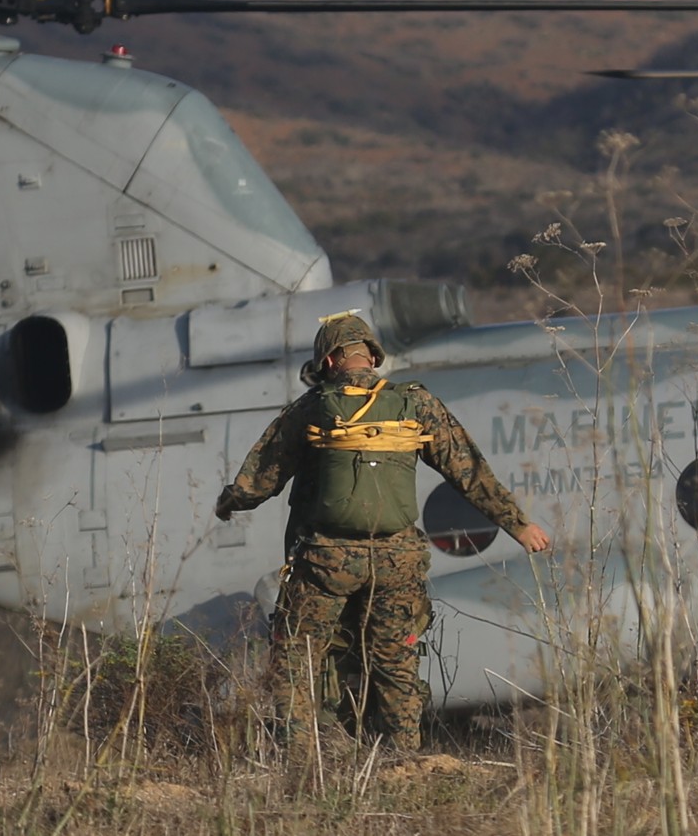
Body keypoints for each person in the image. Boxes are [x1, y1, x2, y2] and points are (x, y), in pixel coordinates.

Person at [215, 310, 551, 753]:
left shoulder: (312, 407)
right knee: (395, 662)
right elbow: (469, 471)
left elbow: (261, 476)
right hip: (398, 561)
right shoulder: (416, 403)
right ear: (370, 356)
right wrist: (519, 525)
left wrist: (230, 502)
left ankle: (299, 759)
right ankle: (403, 760)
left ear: (330, 361)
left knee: (297, 658)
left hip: (326, 562)